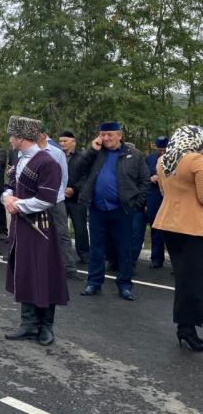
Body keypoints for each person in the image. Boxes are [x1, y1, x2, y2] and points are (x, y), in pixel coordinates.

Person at [2, 116, 68, 346]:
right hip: (21, 226)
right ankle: (28, 324)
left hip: (41, 227)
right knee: (25, 272)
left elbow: (47, 199)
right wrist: (7, 197)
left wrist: (18, 205)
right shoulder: (18, 159)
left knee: (44, 274)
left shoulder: (48, 162)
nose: (10, 140)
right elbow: (9, 186)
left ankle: (46, 326)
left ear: (21, 137)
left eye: (12, 136)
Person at [78, 121, 150, 301]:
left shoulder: (134, 155)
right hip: (97, 209)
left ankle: (125, 285)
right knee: (96, 249)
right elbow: (78, 169)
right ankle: (94, 283)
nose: (106, 138)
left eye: (110, 134)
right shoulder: (96, 153)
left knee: (124, 249)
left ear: (119, 135)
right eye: (102, 134)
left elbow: (145, 181)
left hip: (122, 210)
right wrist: (91, 150)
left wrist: (136, 203)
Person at [154, 125, 203, 351]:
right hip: (193, 227)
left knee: (185, 278)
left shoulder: (163, 161)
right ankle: (187, 328)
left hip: (168, 225)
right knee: (193, 280)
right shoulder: (197, 161)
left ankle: (186, 326)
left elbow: (164, 192)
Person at [37, 125, 80, 280]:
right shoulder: (28, 151)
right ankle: (42, 265)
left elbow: (64, 176)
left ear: (43, 135)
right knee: (38, 232)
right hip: (36, 200)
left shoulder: (56, 153)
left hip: (56, 200)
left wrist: (58, 193)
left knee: (62, 233)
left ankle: (68, 267)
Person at [133, 136, 168, 270]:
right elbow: (141, 177)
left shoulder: (173, 159)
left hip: (163, 198)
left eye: (164, 150)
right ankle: (133, 259)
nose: (162, 152)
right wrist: (150, 178)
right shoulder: (149, 159)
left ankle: (157, 258)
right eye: (159, 150)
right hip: (149, 196)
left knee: (158, 231)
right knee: (139, 231)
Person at [60, 131, 89, 264]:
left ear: (73, 142)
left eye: (65, 141)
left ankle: (84, 255)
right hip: (60, 197)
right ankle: (60, 254)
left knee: (80, 228)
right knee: (60, 227)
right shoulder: (56, 156)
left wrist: (74, 189)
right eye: (60, 141)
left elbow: (85, 177)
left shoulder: (81, 157)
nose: (62, 143)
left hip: (77, 198)